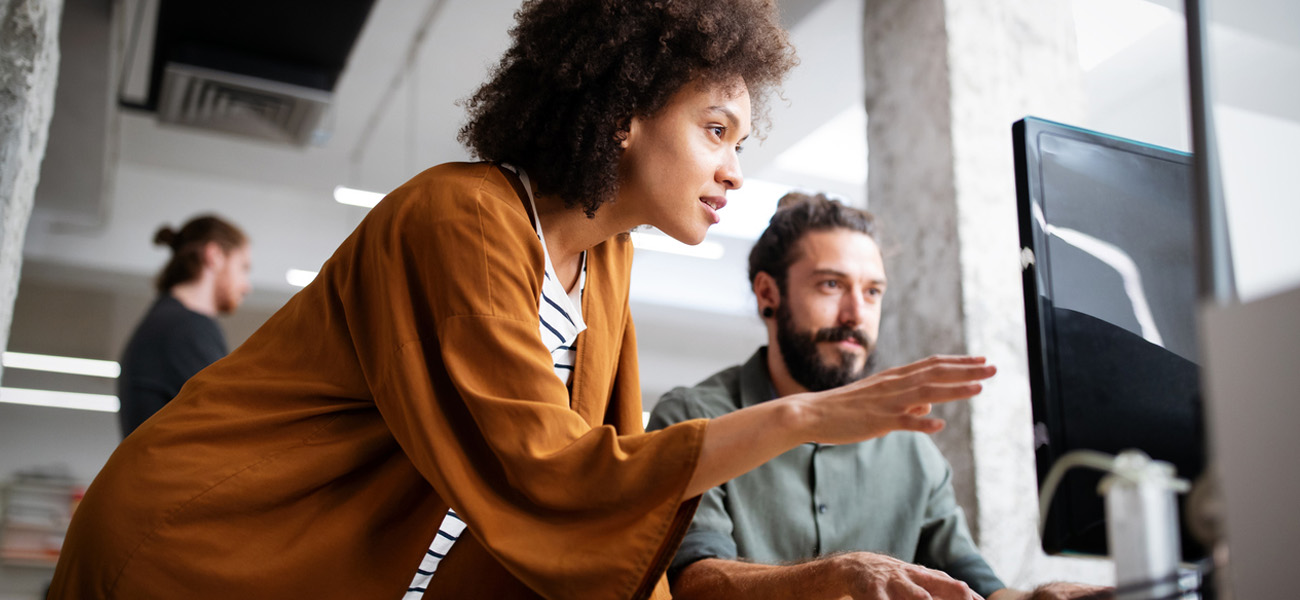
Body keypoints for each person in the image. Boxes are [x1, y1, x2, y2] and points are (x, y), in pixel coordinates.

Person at [48, 2, 997, 599]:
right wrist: (803, 416)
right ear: (626, 111)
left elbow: (604, 497)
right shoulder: (458, 217)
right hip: (202, 550)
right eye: (716, 129)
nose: (733, 172)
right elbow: (550, 473)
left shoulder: (609, 262)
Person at [649, 192, 1113, 600]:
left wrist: (1038, 599)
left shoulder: (911, 448)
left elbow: (976, 586)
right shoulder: (694, 417)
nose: (856, 314)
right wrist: (839, 574)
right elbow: (692, 584)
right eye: (831, 285)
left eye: (872, 292)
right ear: (768, 293)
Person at [117, 215, 251, 437]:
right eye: (243, 267)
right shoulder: (186, 327)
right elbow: (228, 425)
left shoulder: (168, 321)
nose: (247, 286)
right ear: (215, 255)